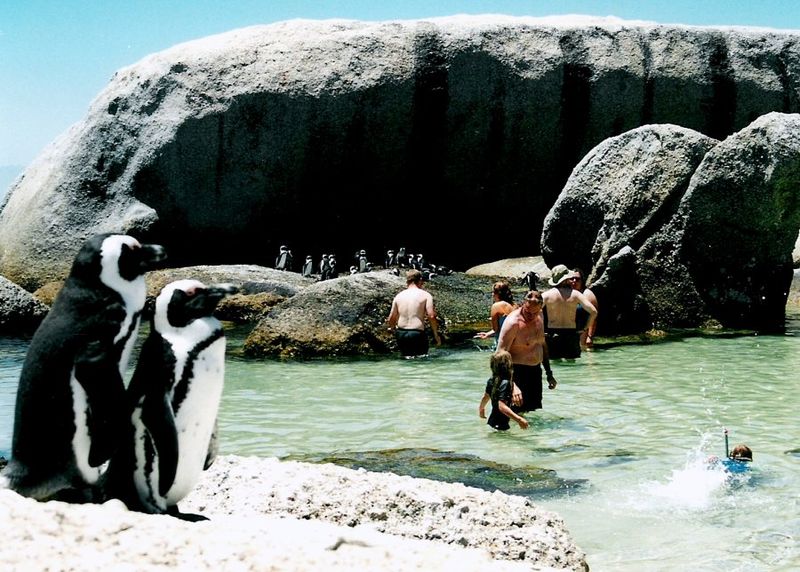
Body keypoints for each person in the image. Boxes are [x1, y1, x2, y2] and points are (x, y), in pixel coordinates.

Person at [496, 290, 556, 412]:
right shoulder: (513, 322)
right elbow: (500, 356)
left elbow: (542, 345)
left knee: (534, 414)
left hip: (535, 373)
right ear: (524, 303)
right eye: (528, 312)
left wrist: (549, 373)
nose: (531, 316)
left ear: (540, 307)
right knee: (515, 415)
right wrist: (512, 385)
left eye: (535, 312)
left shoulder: (540, 315)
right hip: (516, 373)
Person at [542, 264, 597, 359]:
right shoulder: (576, 295)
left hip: (552, 334)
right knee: (572, 366)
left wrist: (540, 330)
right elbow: (593, 312)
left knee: (556, 365)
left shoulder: (546, 295)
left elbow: (534, 313)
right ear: (566, 279)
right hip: (571, 334)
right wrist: (585, 328)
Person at [386, 269, 442, 357]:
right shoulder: (425, 295)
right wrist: (436, 335)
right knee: (421, 361)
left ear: (407, 281)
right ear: (420, 280)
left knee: (406, 360)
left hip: (401, 334)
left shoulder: (399, 296)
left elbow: (392, 317)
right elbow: (431, 316)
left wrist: (391, 329)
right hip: (417, 333)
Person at [478, 349, 529, 431]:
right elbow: (501, 406)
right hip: (501, 425)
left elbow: (485, 396)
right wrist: (519, 420)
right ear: (508, 365)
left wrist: (481, 409)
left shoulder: (492, 380)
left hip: (492, 422)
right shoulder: (506, 383)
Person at [474, 280, 516, 345]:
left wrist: (488, 334)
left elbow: (496, 330)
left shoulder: (496, 306)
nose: (492, 294)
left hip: (504, 345)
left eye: (493, 292)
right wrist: (487, 334)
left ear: (496, 293)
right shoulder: (516, 306)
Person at [572, 268, 599, 349]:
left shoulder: (588, 294)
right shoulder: (570, 293)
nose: (574, 281)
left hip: (583, 336)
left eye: (577, 279)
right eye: (572, 278)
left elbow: (594, 317)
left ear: (582, 281)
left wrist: (590, 337)